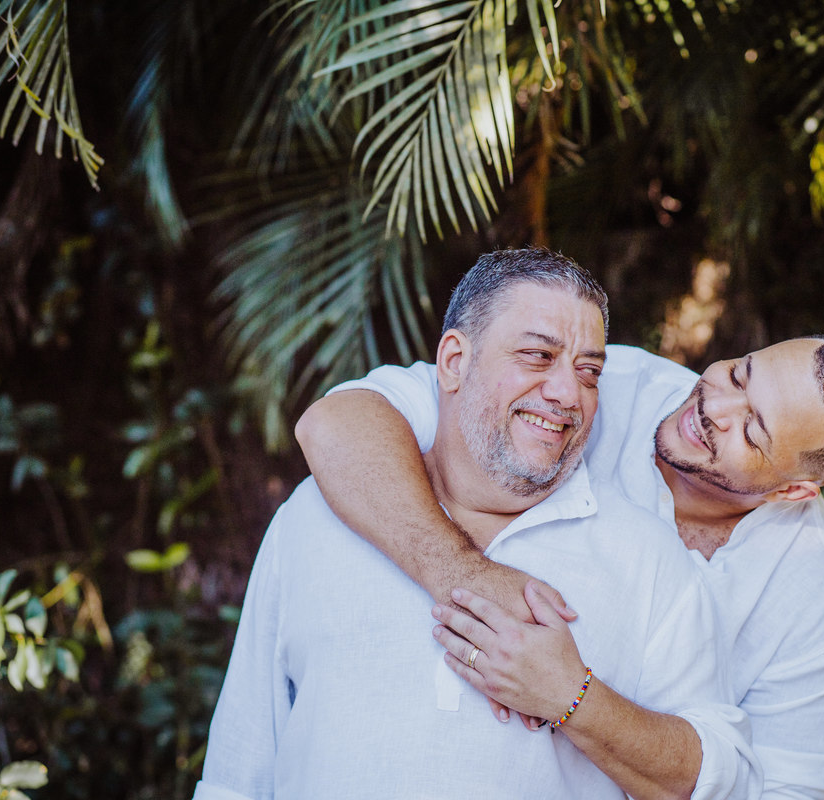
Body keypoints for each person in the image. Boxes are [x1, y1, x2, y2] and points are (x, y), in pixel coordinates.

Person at [195, 248, 758, 800]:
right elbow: (237, 773)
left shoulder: (646, 557)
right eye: (538, 356)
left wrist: (575, 699)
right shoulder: (316, 515)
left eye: (588, 372)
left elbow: (717, 779)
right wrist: (467, 574)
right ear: (454, 362)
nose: (568, 393)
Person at [296, 314, 824, 797]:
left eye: (752, 430)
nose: (715, 408)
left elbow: (778, 791)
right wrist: (467, 577)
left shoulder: (817, 598)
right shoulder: (588, 386)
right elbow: (338, 421)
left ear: (795, 491)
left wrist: (573, 698)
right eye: (739, 376)